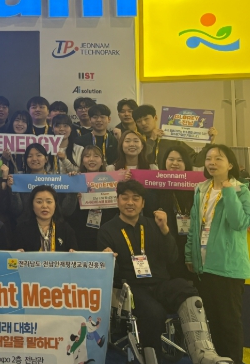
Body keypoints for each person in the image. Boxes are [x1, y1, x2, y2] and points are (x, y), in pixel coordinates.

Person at [98, 180, 231, 364]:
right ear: (117, 200)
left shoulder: (154, 225)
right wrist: (108, 259)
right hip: (130, 288)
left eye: (136, 198)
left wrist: (165, 230)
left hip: (160, 284)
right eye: (125, 198)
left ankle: (203, 353)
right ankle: (153, 359)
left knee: (188, 292)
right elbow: (110, 274)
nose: (130, 202)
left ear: (143, 203)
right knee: (154, 312)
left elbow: (172, 257)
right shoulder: (107, 230)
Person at [185, 145, 250, 364]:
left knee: (229, 323)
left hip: (228, 266)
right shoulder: (201, 188)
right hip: (203, 265)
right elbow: (194, 224)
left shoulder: (242, 190)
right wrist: (189, 255)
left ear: (230, 164)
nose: (212, 162)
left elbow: (239, 223)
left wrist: (229, 190)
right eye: (209, 158)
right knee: (211, 322)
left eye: (218, 158)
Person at [154, 145, 198, 280]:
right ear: (164, 161)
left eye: (180, 160)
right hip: (166, 240)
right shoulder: (156, 185)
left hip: (190, 241)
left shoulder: (195, 187)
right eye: (171, 159)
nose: (175, 163)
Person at [67, 145, 117, 252]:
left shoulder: (112, 180)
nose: (91, 159)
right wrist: (73, 189)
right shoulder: (76, 179)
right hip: (80, 232)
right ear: (82, 160)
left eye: (96, 156)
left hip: (104, 231)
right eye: (87, 156)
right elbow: (67, 211)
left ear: (102, 161)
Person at [132, 104, 216, 168]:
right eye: (139, 121)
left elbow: (196, 161)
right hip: (146, 182)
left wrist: (209, 143)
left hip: (169, 182)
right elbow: (138, 159)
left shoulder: (170, 138)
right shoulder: (135, 140)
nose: (143, 123)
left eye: (146, 119)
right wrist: (151, 140)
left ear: (155, 118)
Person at [15, 185, 77, 252]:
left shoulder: (65, 229)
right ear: (32, 205)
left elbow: (74, 252)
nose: (44, 206)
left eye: (49, 202)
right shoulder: (22, 229)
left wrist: (73, 253)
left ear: (55, 205)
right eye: (39, 202)